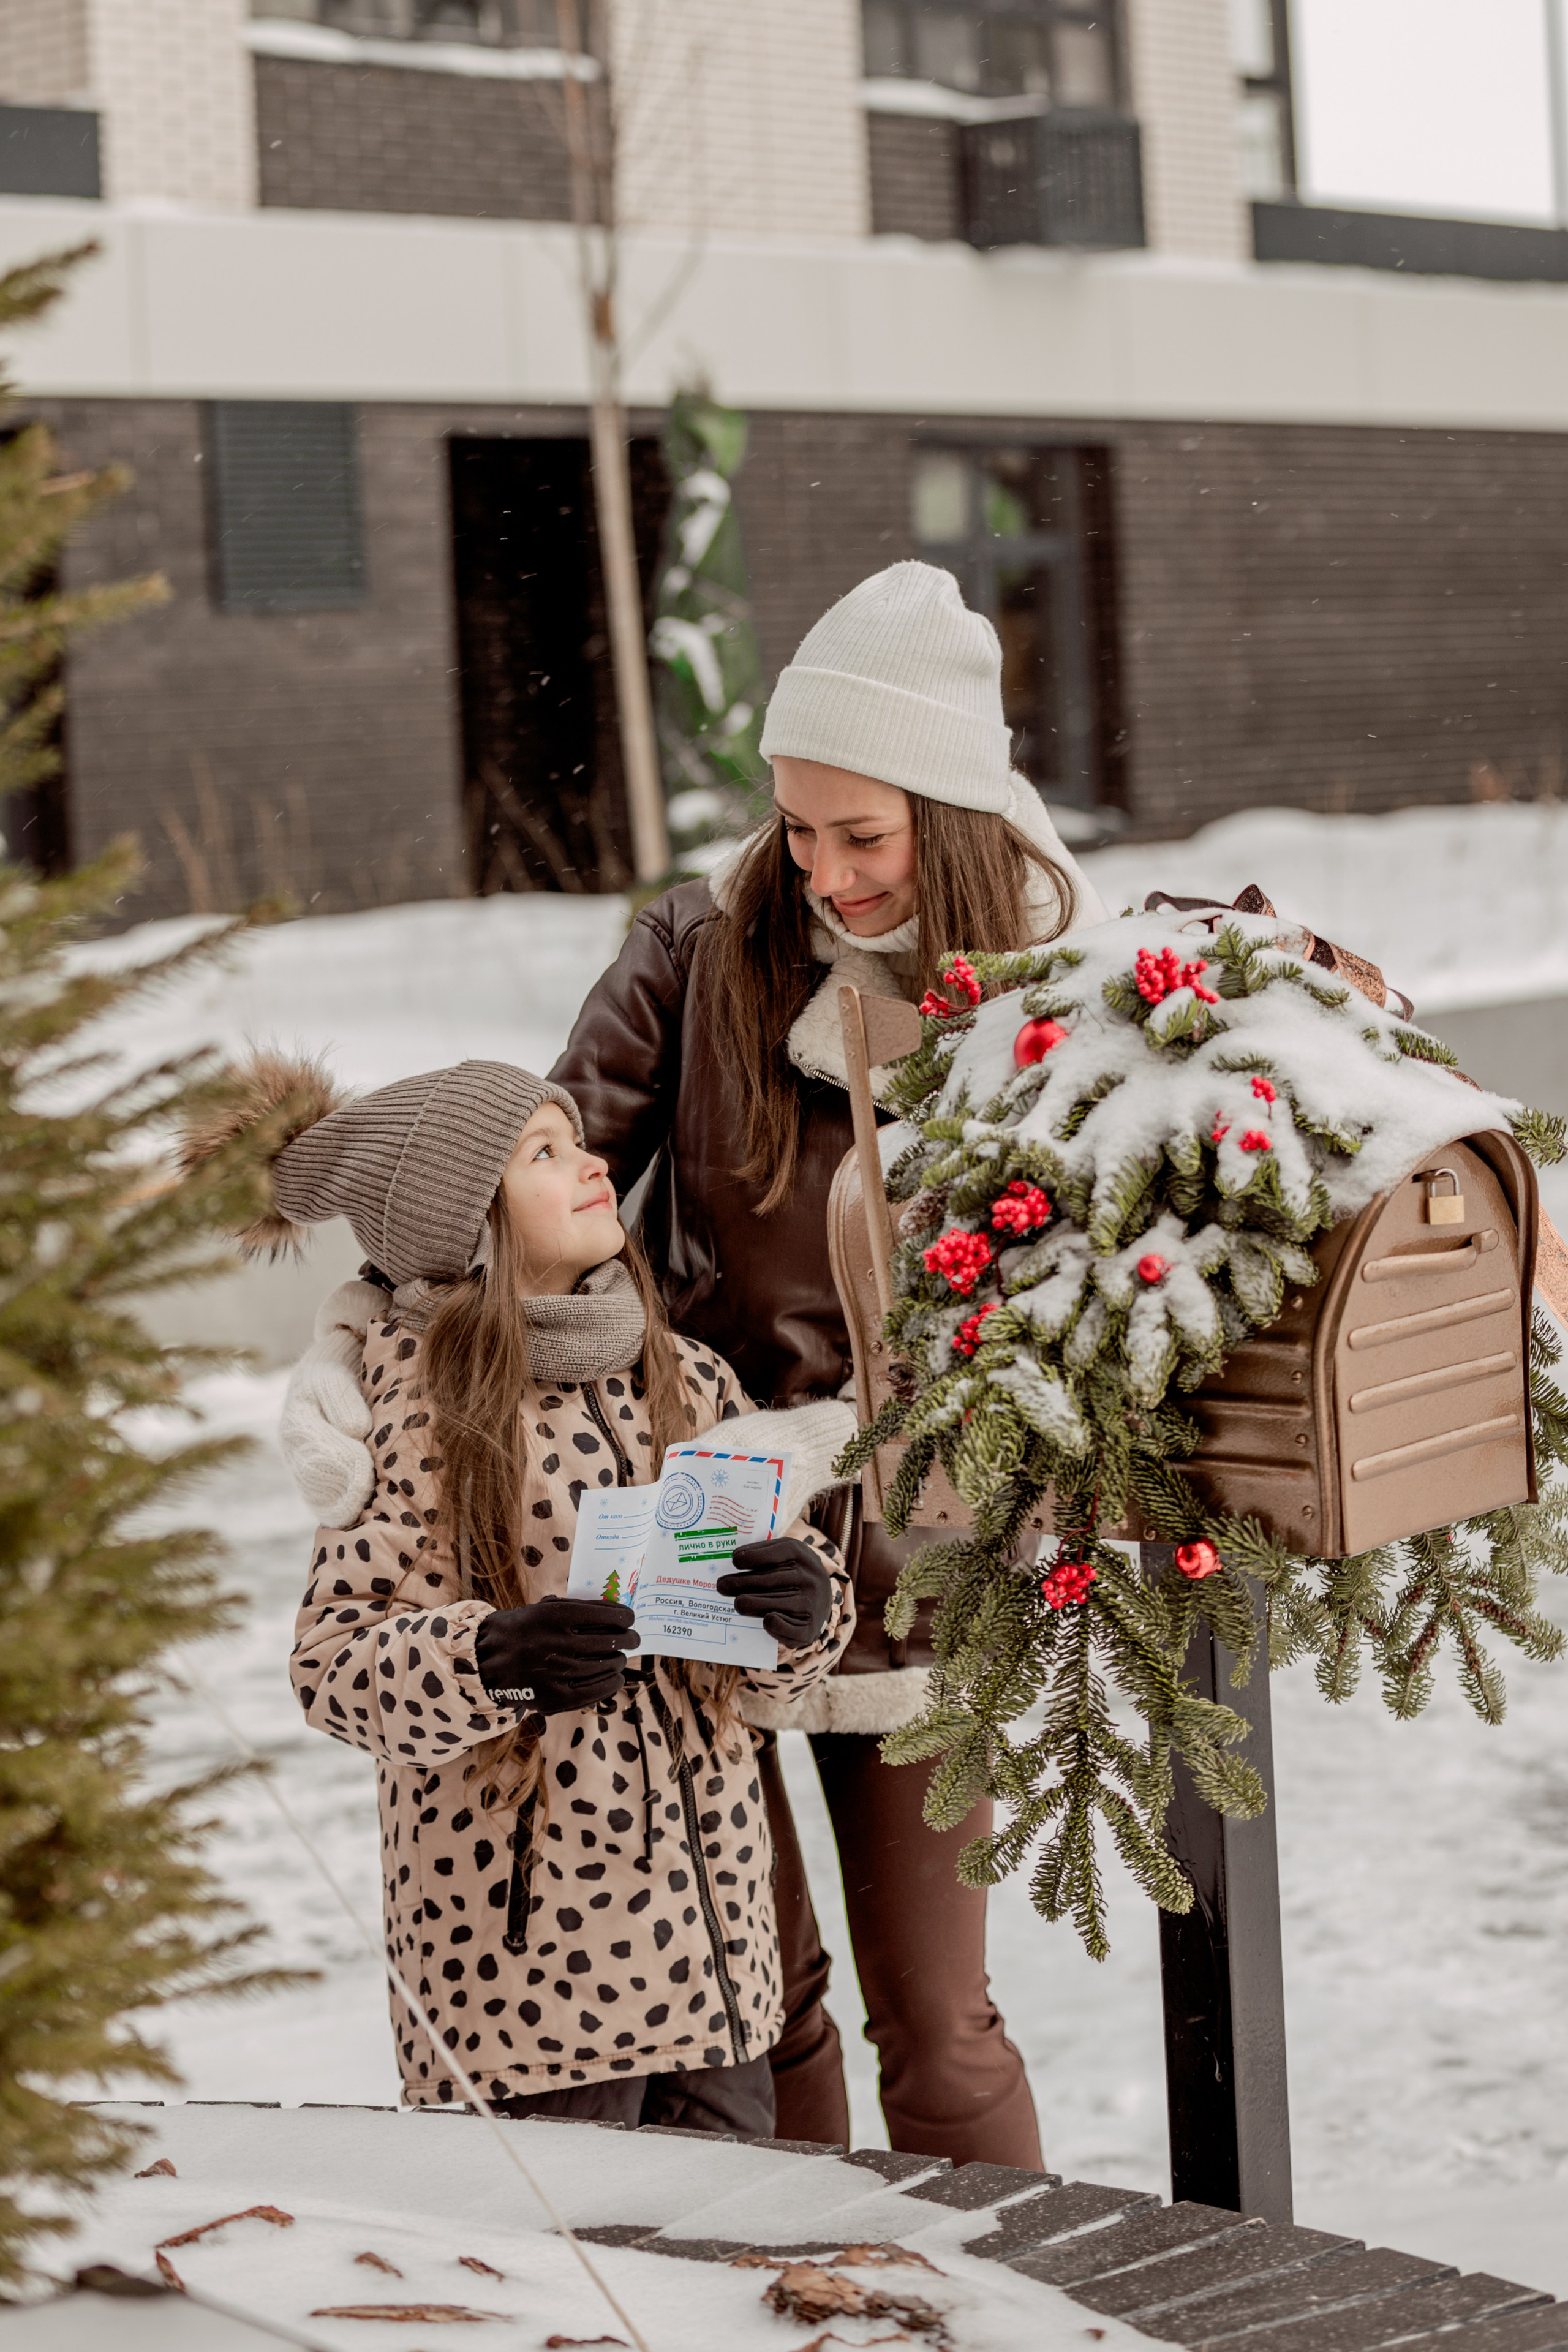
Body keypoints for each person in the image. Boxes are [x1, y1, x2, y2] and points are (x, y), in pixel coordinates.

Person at [278, 560, 1109, 2165]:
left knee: (940, 2022)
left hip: (935, 1545)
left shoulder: (1054, 999)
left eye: (864, 836)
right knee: (759, 1999)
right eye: (799, 829)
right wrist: (362, 1325)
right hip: (705, 1523)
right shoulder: (701, 947)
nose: (826, 871)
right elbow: (523, 1168)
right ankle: (793, 2304)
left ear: (951, 815)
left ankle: (998, 2317)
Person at [193, 1055, 854, 2127]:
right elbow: (334, 1667)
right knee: (561, 2283)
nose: (592, 1163)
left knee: (720, 2277)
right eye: (543, 1155)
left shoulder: (687, 1377)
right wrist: (492, 1658)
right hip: (529, 1992)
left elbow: (766, 1673)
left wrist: (804, 1611)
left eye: (574, 1139)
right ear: (469, 1221)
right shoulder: (407, 1407)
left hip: (714, 1964)